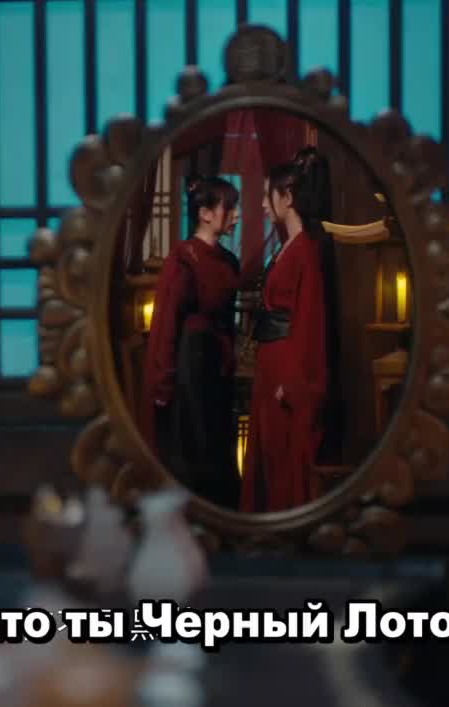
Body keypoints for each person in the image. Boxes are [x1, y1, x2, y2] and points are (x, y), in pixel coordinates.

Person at [241, 147, 332, 513]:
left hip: (286, 364)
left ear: (288, 197)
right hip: (271, 360)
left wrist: (292, 383)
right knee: (266, 450)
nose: (264, 204)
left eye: (269, 195)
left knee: (282, 455)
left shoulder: (305, 251)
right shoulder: (287, 247)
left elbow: (309, 322)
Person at [142, 175, 241, 507]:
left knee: (219, 445)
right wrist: (164, 380)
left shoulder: (228, 260)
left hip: (218, 362)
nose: (236, 215)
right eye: (229, 208)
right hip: (192, 363)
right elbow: (167, 322)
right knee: (193, 447)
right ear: (205, 213)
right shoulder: (184, 258)